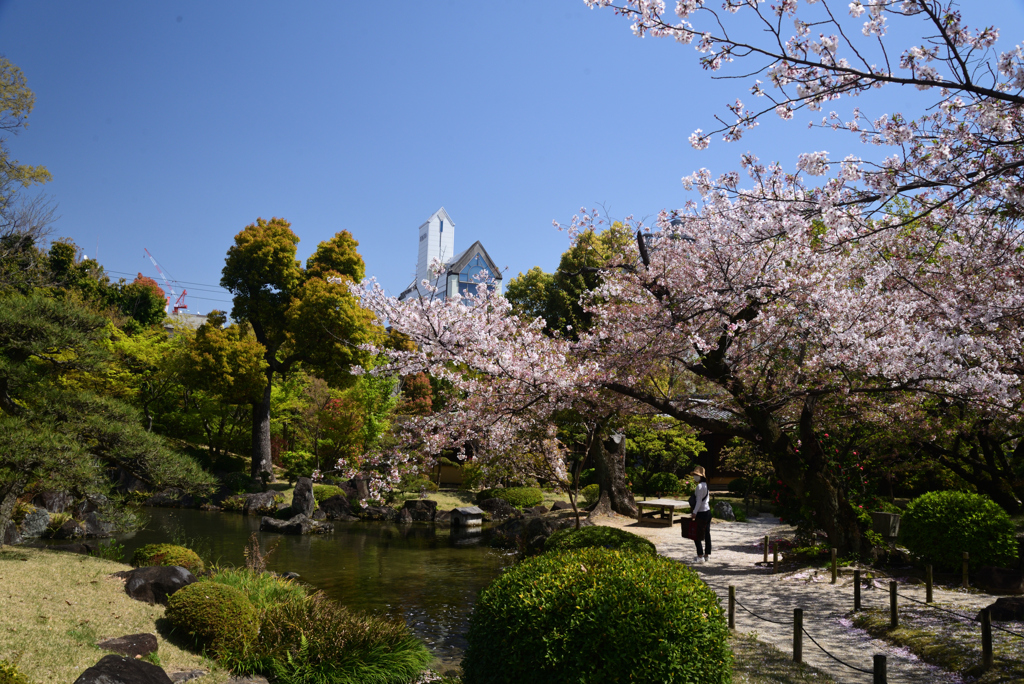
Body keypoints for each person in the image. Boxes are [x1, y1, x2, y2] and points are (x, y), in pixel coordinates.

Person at [688, 465, 712, 563]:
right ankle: (706, 555)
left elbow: (698, 502)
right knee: (706, 534)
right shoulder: (706, 485)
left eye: (696, 475)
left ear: (700, 476)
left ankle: (700, 556)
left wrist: (694, 512)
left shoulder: (699, 486)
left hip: (701, 513)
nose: (695, 477)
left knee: (697, 535)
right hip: (708, 512)